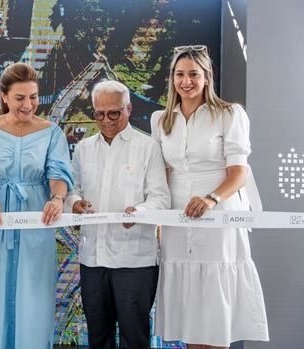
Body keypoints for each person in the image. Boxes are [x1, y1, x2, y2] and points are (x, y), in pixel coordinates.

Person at [150, 45, 269, 348]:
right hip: (176, 221)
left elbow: (238, 173)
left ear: (207, 77)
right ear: (172, 78)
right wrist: (158, 218)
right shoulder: (160, 120)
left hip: (219, 217)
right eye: (180, 74)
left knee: (215, 307)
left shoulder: (230, 114)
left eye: (193, 74)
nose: (186, 81)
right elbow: (161, 173)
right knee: (189, 307)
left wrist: (210, 199)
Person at [0, 63, 74, 349]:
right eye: (21, 98)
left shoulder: (52, 133)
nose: (29, 105)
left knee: (33, 294)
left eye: (33, 97)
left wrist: (57, 199)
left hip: (37, 219)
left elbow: (59, 175)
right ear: (4, 96)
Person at [68, 80, 170, 348]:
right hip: (93, 259)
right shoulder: (83, 148)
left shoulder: (147, 147)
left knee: (134, 338)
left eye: (114, 113)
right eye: (99, 113)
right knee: (98, 338)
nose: (106, 120)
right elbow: (71, 190)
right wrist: (75, 203)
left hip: (135, 261)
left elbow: (161, 198)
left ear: (129, 108)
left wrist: (140, 212)